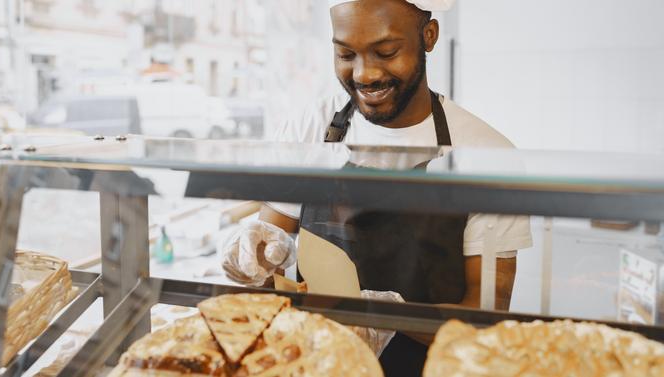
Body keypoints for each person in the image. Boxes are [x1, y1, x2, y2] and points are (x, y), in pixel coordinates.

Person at [221, 0, 532, 375]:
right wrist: (252, 259)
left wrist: (385, 314)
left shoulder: (486, 153)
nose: (364, 74)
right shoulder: (312, 128)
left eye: (386, 52)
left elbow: (484, 319)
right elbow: (269, 253)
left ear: (428, 36)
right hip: (314, 363)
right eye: (345, 53)